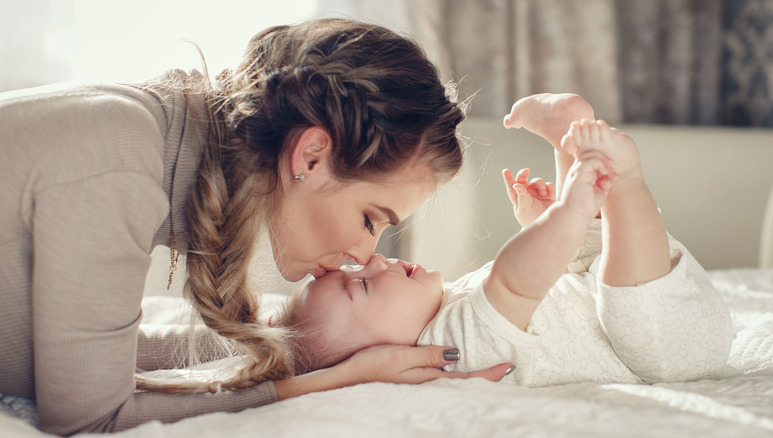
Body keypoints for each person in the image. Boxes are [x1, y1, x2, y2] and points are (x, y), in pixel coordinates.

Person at [0, 18, 512, 436]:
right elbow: (89, 418)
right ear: (311, 155)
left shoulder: (149, 141)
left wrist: (293, 351)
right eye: (368, 219)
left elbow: (89, 358)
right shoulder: (119, 165)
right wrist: (332, 381)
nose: (362, 253)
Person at [279, 95, 734, 386]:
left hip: (603, 294)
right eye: (362, 285)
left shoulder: (446, 305)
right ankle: (625, 180)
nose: (376, 260)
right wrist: (564, 215)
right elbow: (516, 283)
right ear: (382, 355)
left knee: (594, 251)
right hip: (669, 350)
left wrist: (548, 228)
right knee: (624, 288)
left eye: (360, 270)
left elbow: (537, 286)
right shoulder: (446, 349)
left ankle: (568, 143)